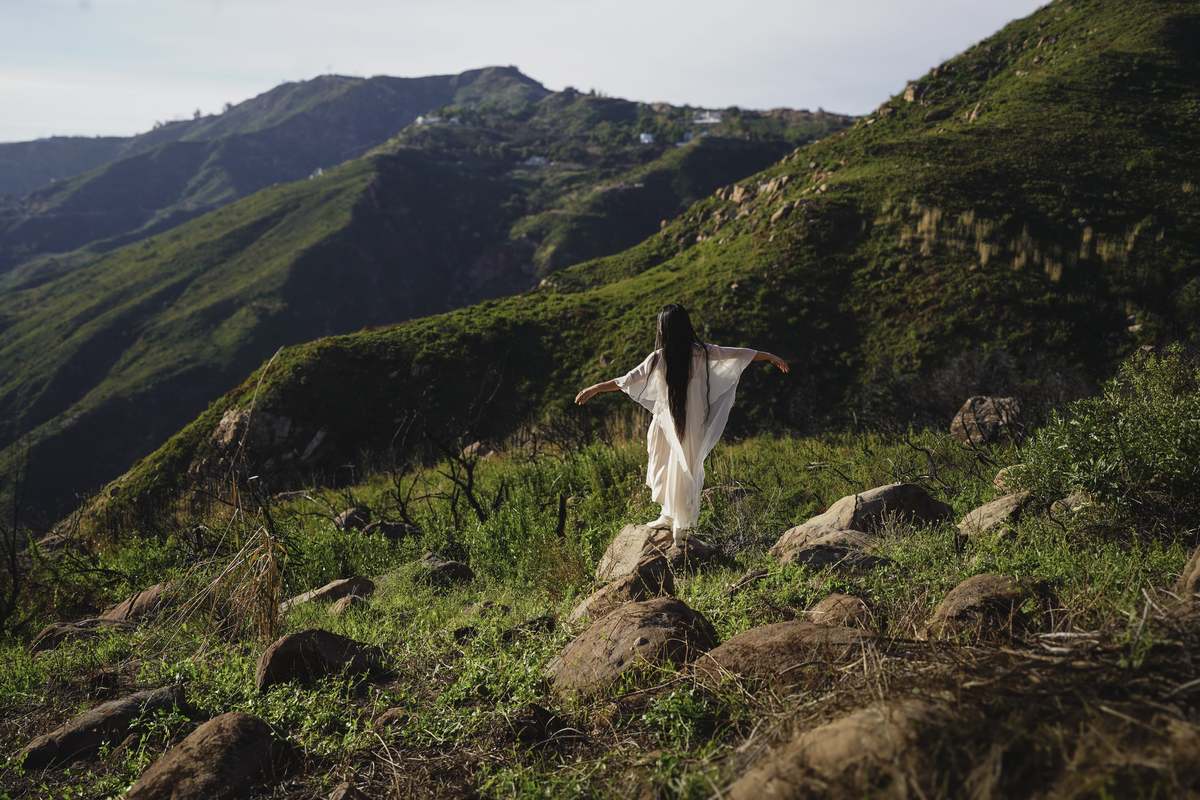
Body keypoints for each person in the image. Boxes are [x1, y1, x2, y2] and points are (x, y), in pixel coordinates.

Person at [574, 304, 789, 546]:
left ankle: (682, 526)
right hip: (668, 424)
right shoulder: (671, 356)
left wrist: (768, 356)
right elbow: (627, 380)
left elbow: (737, 354)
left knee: (683, 469)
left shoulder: (696, 353)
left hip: (685, 425)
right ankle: (668, 516)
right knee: (667, 467)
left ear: (664, 329)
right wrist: (768, 356)